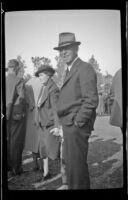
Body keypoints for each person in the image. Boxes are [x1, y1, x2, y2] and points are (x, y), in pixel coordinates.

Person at [54, 32, 99, 189]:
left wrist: (77, 123)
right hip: (68, 126)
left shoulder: (84, 68)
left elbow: (91, 100)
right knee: (71, 168)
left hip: (76, 127)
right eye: (60, 50)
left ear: (76, 48)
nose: (63, 52)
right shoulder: (68, 70)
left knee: (77, 170)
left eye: (67, 48)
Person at [24, 65, 60, 180]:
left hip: (49, 124)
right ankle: (46, 173)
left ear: (48, 75)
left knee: (53, 150)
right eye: (38, 76)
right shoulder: (45, 87)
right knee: (43, 149)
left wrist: (57, 127)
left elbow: (56, 110)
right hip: (41, 123)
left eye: (41, 75)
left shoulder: (53, 89)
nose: (39, 78)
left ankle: (65, 175)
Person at [6, 59, 27, 177]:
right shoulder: (19, 80)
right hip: (15, 116)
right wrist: (20, 113)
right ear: (16, 68)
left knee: (7, 140)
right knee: (15, 142)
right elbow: (22, 98)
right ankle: (16, 168)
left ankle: (8, 167)